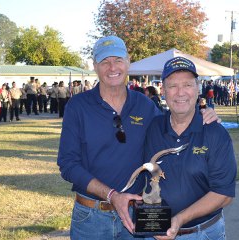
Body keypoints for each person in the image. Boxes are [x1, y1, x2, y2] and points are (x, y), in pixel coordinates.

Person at [57, 36, 219, 240]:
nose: (112, 67)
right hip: (91, 217)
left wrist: (202, 116)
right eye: (105, 62)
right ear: (95, 66)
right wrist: (111, 196)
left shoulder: (145, 106)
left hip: (135, 215)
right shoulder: (77, 107)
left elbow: (174, 131)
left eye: (117, 60)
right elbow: (67, 164)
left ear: (128, 62)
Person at [143, 57, 236, 240]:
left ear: (197, 88)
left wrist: (179, 219)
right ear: (163, 91)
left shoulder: (215, 134)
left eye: (187, 85)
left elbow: (224, 194)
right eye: (172, 86)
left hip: (203, 233)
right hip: (155, 231)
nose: (180, 93)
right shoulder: (153, 127)